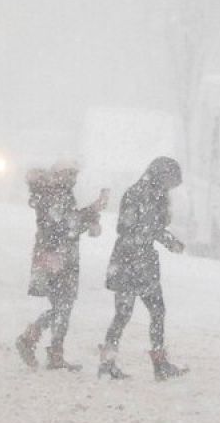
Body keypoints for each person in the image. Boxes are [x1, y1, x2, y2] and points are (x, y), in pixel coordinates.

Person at [98, 156, 188, 381]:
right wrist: (169, 241)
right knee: (149, 312)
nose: (170, 187)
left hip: (132, 260)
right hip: (135, 261)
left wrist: (163, 238)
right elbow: (146, 228)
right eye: (170, 180)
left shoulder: (145, 192)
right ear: (161, 175)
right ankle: (157, 363)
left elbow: (146, 227)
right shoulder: (144, 194)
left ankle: (109, 362)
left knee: (126, 314)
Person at [15, 161, 105, 372]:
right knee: (62, 305)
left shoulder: (56, 195)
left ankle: (53, 352)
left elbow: (67, 222)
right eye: (70, 174)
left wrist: (90, 213)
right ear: (60, 175)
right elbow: (65, 227)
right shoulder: (57, 195)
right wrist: (91, 213)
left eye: (74, 175)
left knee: (62, 306)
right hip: (58, 257)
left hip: (57, 256)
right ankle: (32, 340)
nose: (73, 179)